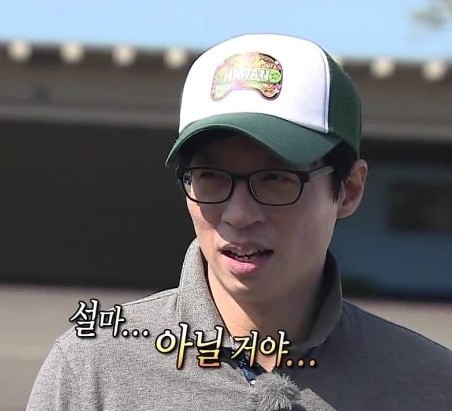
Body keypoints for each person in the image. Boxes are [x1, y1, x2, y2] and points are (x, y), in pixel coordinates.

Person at [27, 34, 451, 411]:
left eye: (277, 178)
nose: (238, 215)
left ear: (349, 189)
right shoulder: (92, 369)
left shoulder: (429, 384)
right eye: (210, 176)